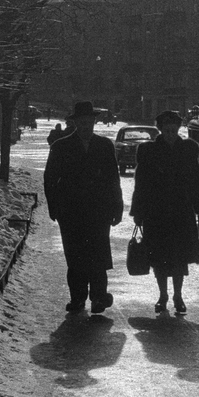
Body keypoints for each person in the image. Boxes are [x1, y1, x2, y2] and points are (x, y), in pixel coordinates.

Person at [130, 109, 199, 315]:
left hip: (181, 212)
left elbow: (196, 179)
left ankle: (178, 296)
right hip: (156, 214)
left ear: (178, 129)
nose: (170, 133)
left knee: (179, 259)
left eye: (173, 130)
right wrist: (138, 213)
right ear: (160, 130)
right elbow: (140, 183)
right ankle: (162, 296)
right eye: (166, 130)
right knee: (159, 258)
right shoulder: (148, 151)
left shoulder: (188, 149)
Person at [43, 101, 123, 314]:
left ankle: (98, 298)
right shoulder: (61, 147)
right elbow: (50, 178)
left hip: (99, 212)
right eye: (82, 122)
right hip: (71, 213)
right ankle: (77, 298)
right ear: (75, 123)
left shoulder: (105, 146)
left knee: (98, 256)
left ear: (94, 122)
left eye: (90, 122)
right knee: (75, 256)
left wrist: (117, 207)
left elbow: (113, 179)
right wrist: (54, 208)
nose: (86, 126)